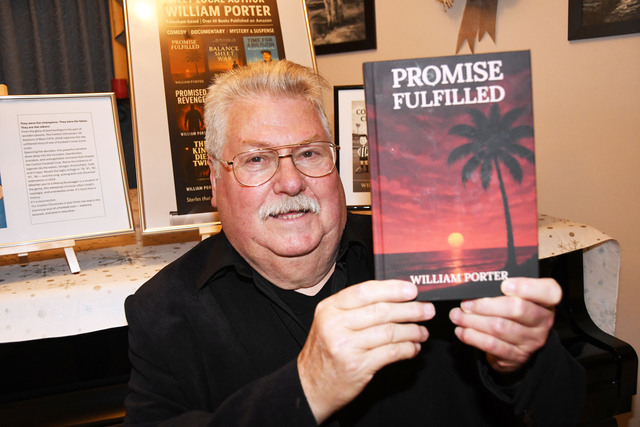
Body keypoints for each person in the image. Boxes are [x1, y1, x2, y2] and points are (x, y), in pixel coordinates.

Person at [124, 60, 585, 426]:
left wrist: (522, 362)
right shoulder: (165, 311)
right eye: (257, 159)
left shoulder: (439, 254)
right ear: (214, 181)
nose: (291, 182)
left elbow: (567, 407)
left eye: (309, 153)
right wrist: (306, 388)